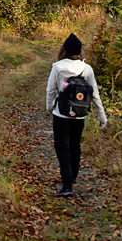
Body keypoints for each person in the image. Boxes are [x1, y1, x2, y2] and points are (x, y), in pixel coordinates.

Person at [46, 32, 107, 197]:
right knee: (75, 145)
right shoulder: (87, 69)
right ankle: (72, 176)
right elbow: (94, 94)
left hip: (61, 114)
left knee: (61, 147)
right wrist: (102, 116)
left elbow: (51, 90)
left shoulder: (58, 67)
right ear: (79, 51)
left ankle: (66, 185)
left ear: (64, 50)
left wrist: (49, 107)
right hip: (80, 114)